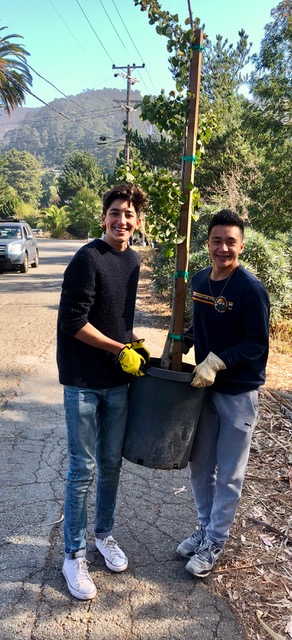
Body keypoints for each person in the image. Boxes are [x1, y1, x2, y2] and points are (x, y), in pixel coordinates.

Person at [57, 184, 150, 600]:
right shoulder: (86, 259)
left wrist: (133, 342)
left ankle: (103, 535)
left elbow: (117, 318)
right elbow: (73, 322)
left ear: (138, 221)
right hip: (81, 381)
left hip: (117, 382)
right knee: (83, 469)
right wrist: (120, 348)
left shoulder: (132, 261)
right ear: (103, 217)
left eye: (129, 214)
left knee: (111, 464)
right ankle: (72, 554)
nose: (122, 221)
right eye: (115, 213)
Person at [176, 209, 270, 578]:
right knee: (200, 466)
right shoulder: (200, 281)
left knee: (229, 473)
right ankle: (203, 528)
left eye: (231, 241)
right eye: (217, 240)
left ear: (241, 246)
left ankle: (216, 539)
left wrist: (217, 361)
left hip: (237, 394)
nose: (223, 248)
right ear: (208, 243)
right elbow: (200, 327)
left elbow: (256, 344)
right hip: (203, 393)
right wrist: (181, 342)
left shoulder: (250, 289)